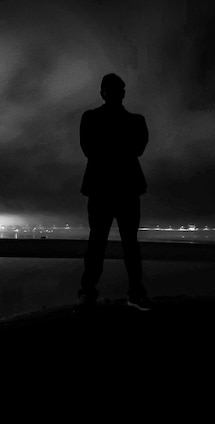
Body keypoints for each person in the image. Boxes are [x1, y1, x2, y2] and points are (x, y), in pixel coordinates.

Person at [77, 73, 151, 311]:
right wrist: (120, 148)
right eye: (111, 90)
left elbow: (92, 149)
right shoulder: (134, 121)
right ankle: (130, 292)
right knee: (118, 243)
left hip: (105, 187)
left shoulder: (94, 119)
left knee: (102, 243)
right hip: (122, 187)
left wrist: (108, 148)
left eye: (115, 90)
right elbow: (133, 149)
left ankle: (90, 292)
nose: (113, 94)